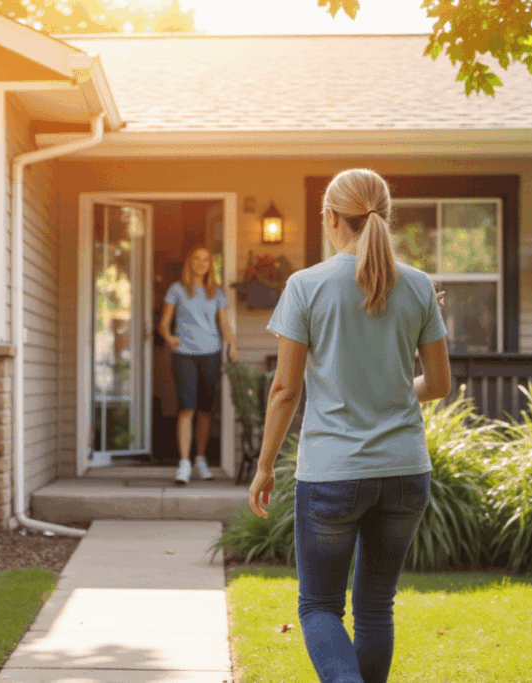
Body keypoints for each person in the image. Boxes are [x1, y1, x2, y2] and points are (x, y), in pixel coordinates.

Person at [249, 169, 451, 683]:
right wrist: (388, 391)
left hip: (332, 473)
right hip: (406, 471)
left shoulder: (305, 286)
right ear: (384, 215)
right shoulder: (420, 287)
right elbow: (440, 384)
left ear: (331, 218)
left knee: (319, 606)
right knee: (375, 609)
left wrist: (265, 465)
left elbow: (285, 390)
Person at [158, 244, 238, 484]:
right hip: (184, 355)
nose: (202, 263)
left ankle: (200, 460)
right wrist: (168, 337)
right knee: (186, 408)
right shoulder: (177, 290)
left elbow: (224, 324)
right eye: (197, 259)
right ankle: (184, 464)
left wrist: (232, 345)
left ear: (210, 265)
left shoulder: (217, 292)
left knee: (205, 411)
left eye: (206, 260)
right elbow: (163, 323)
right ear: (189, 262)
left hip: (211, 354)